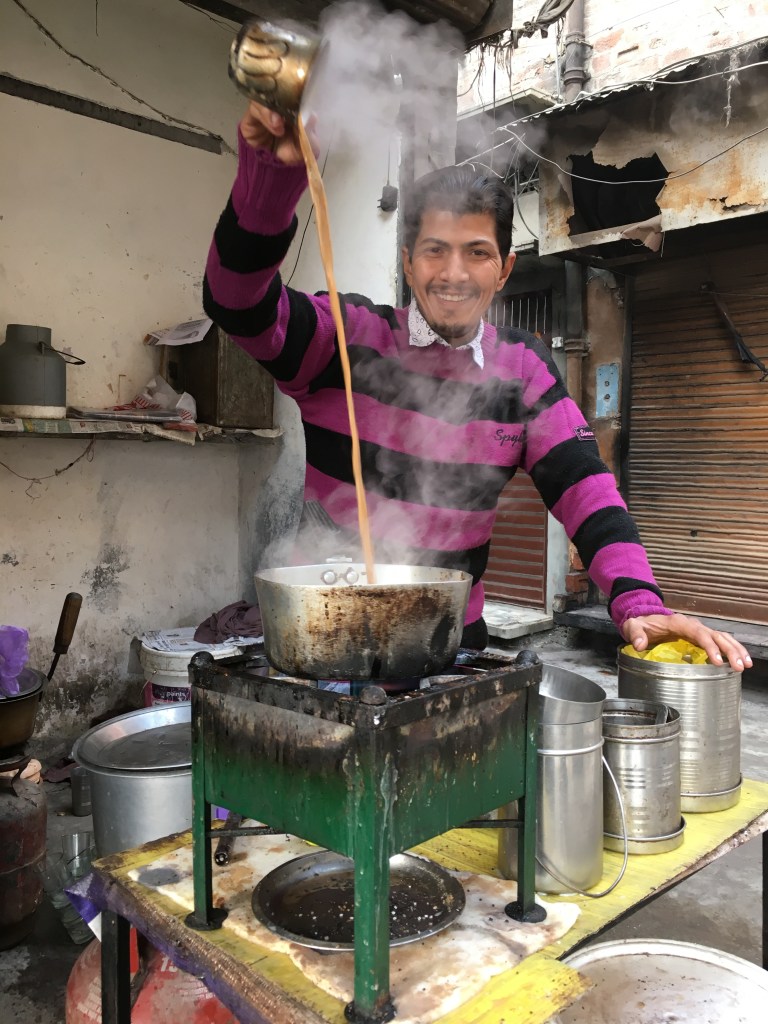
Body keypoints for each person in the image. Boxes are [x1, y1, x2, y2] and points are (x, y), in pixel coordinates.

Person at [202, 101, 751, 673]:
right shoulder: (344, 338)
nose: (454, 274)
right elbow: (235, 302)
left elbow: (586, 489)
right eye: (435, 250)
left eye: (477, 252)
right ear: (408, 262)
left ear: (505, 269)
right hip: (321, 640)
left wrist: (638, 602)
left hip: (450, 651)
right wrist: (271, 184)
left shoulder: (523, 369)